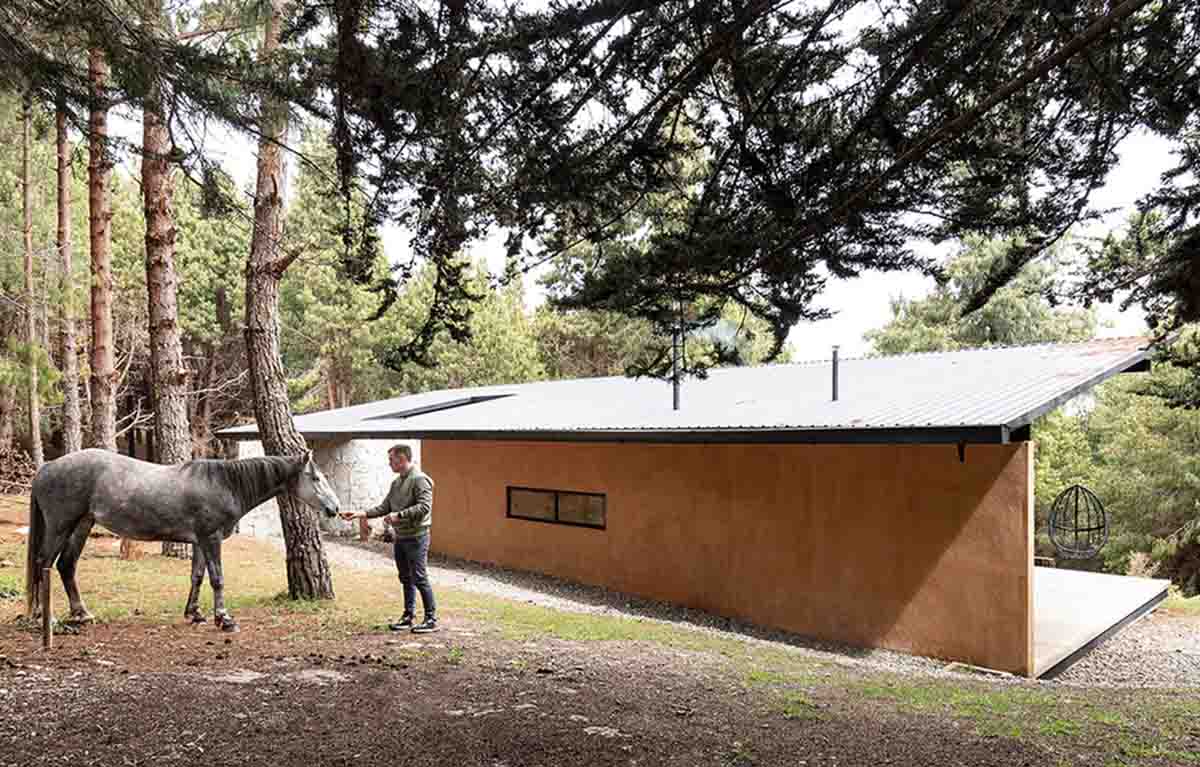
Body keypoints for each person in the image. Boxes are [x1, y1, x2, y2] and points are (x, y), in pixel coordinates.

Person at [342, 444, 437, 633]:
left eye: (391, 460)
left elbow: (424, 507)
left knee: (419, 577)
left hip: (417, 537)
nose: (389, 464)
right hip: (401, 537)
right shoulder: (396, 483)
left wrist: (399, 516)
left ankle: (431, 618)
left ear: (402, 459)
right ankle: (408, 616)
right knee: (405, 577)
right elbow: (385, 507)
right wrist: (360, 514)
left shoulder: (420, 480)